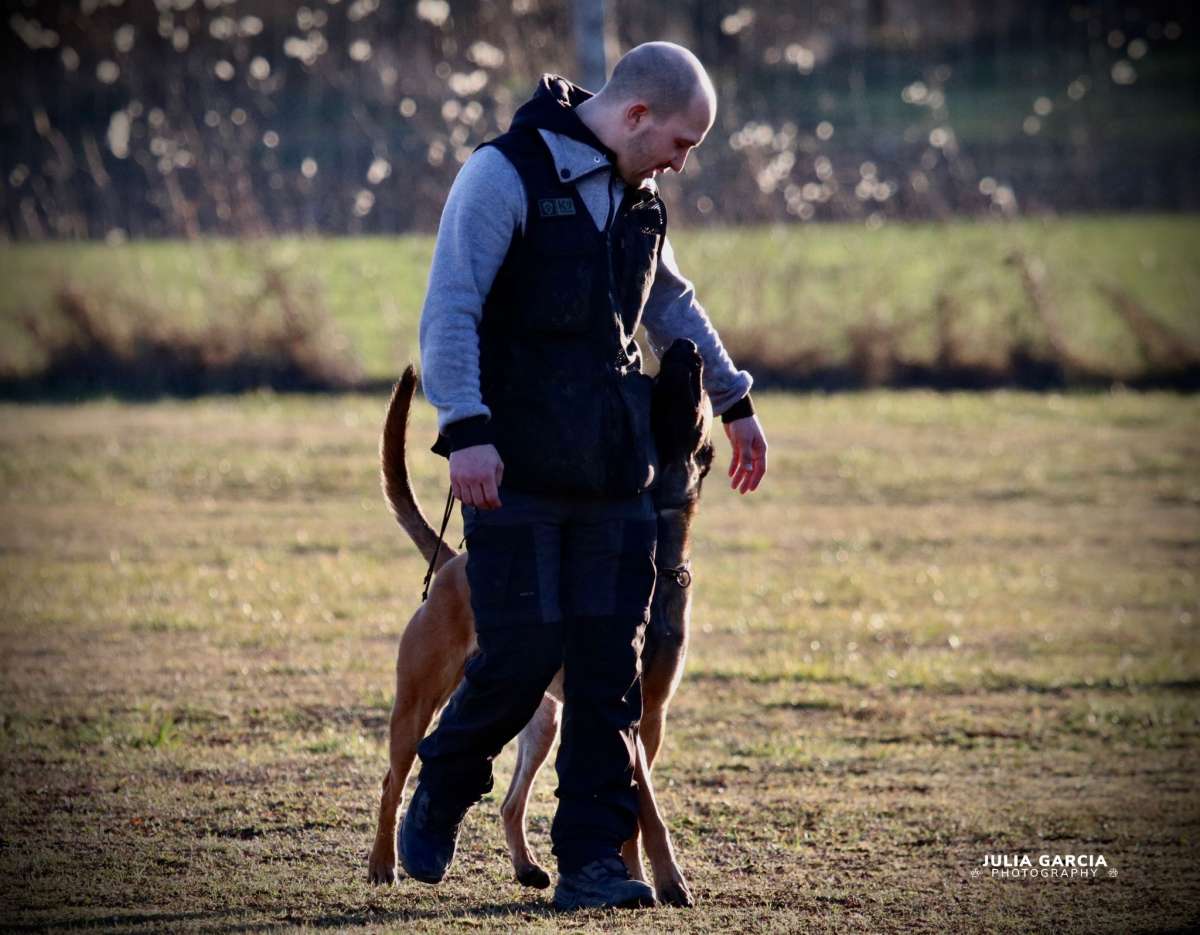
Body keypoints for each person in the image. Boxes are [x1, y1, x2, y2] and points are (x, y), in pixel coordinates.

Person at [405, 41, 768, 911]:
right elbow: (449, 304)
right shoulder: (503, 175)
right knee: (521, 655)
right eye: (681, 142)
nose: (684, 162)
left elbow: (674, 303)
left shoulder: (639, 196)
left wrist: (734, 399)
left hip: (613, 467)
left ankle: (593, 864)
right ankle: (445, 780)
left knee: (609, 674)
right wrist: (464, 429)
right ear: (636, 115)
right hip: (513, 462)